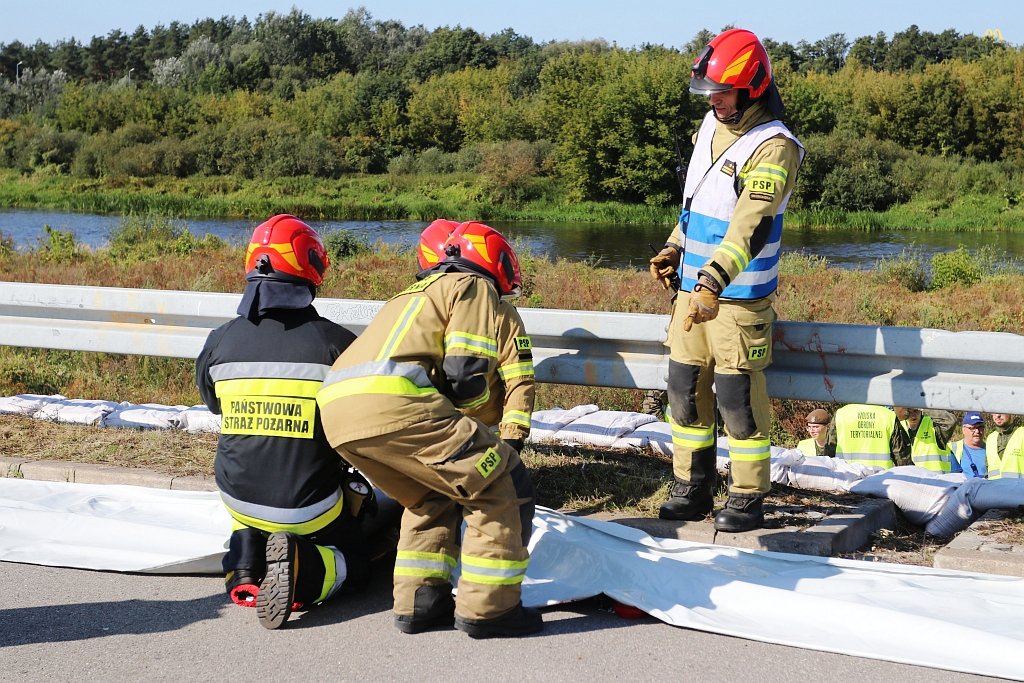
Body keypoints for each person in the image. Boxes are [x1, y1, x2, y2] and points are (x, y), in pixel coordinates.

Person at [316, 221, 541, 639]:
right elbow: (466, 374)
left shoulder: (409, 295)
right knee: (501, 482)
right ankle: (489, 609)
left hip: (338, 414)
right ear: (494, 260)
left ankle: (421, 603)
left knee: (428, 497)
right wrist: (478, 428)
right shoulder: (473, 287)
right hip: (398, 407)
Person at [649, 28, 805, 532]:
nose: (714, 99)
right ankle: (692, 485)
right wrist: (676, 244)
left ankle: (745, 495)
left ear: (752, 88)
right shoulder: (709, 127)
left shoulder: (775, 146)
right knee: (684, 390)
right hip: (691, 298)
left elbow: (750, 221)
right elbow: (700, 202)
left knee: (737, 400)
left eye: (724, 91)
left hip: (735, 300)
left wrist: (714, 279)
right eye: (709, 92)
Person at [196, 214, 371, 630]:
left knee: (251, 518)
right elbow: (358, 423)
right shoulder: (337, 343)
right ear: (312, 266)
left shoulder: (220, 340)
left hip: (236, 497)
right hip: (310, 507)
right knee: (361, 559)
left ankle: (243, 565)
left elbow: (215, 406)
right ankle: (306, 570)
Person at [416, 219, 536, 451]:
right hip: (430, 432)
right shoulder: (422, 307)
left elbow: (518, 379)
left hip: (477, 435)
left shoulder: (500, 312)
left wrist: (512, 440)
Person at [833, 404, 911, 469]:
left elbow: (829, 451)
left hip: (846, 479)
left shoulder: (841, 414)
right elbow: (902, 458)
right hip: (880, 480)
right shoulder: (888, 416)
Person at [894, 406, 956, 472]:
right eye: (910, 411)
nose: (913, 415)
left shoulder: (933, 425)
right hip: (911, 479)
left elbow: (950, 421)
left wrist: (923, 406)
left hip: (935, 479)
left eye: (915, 411)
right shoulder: (899, 427)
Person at [949, 412, 989, 478]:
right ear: (963, 430)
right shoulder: (952, 448)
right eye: (972, 428)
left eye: (980, 427)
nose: (977, 431)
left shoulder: (991, 449)